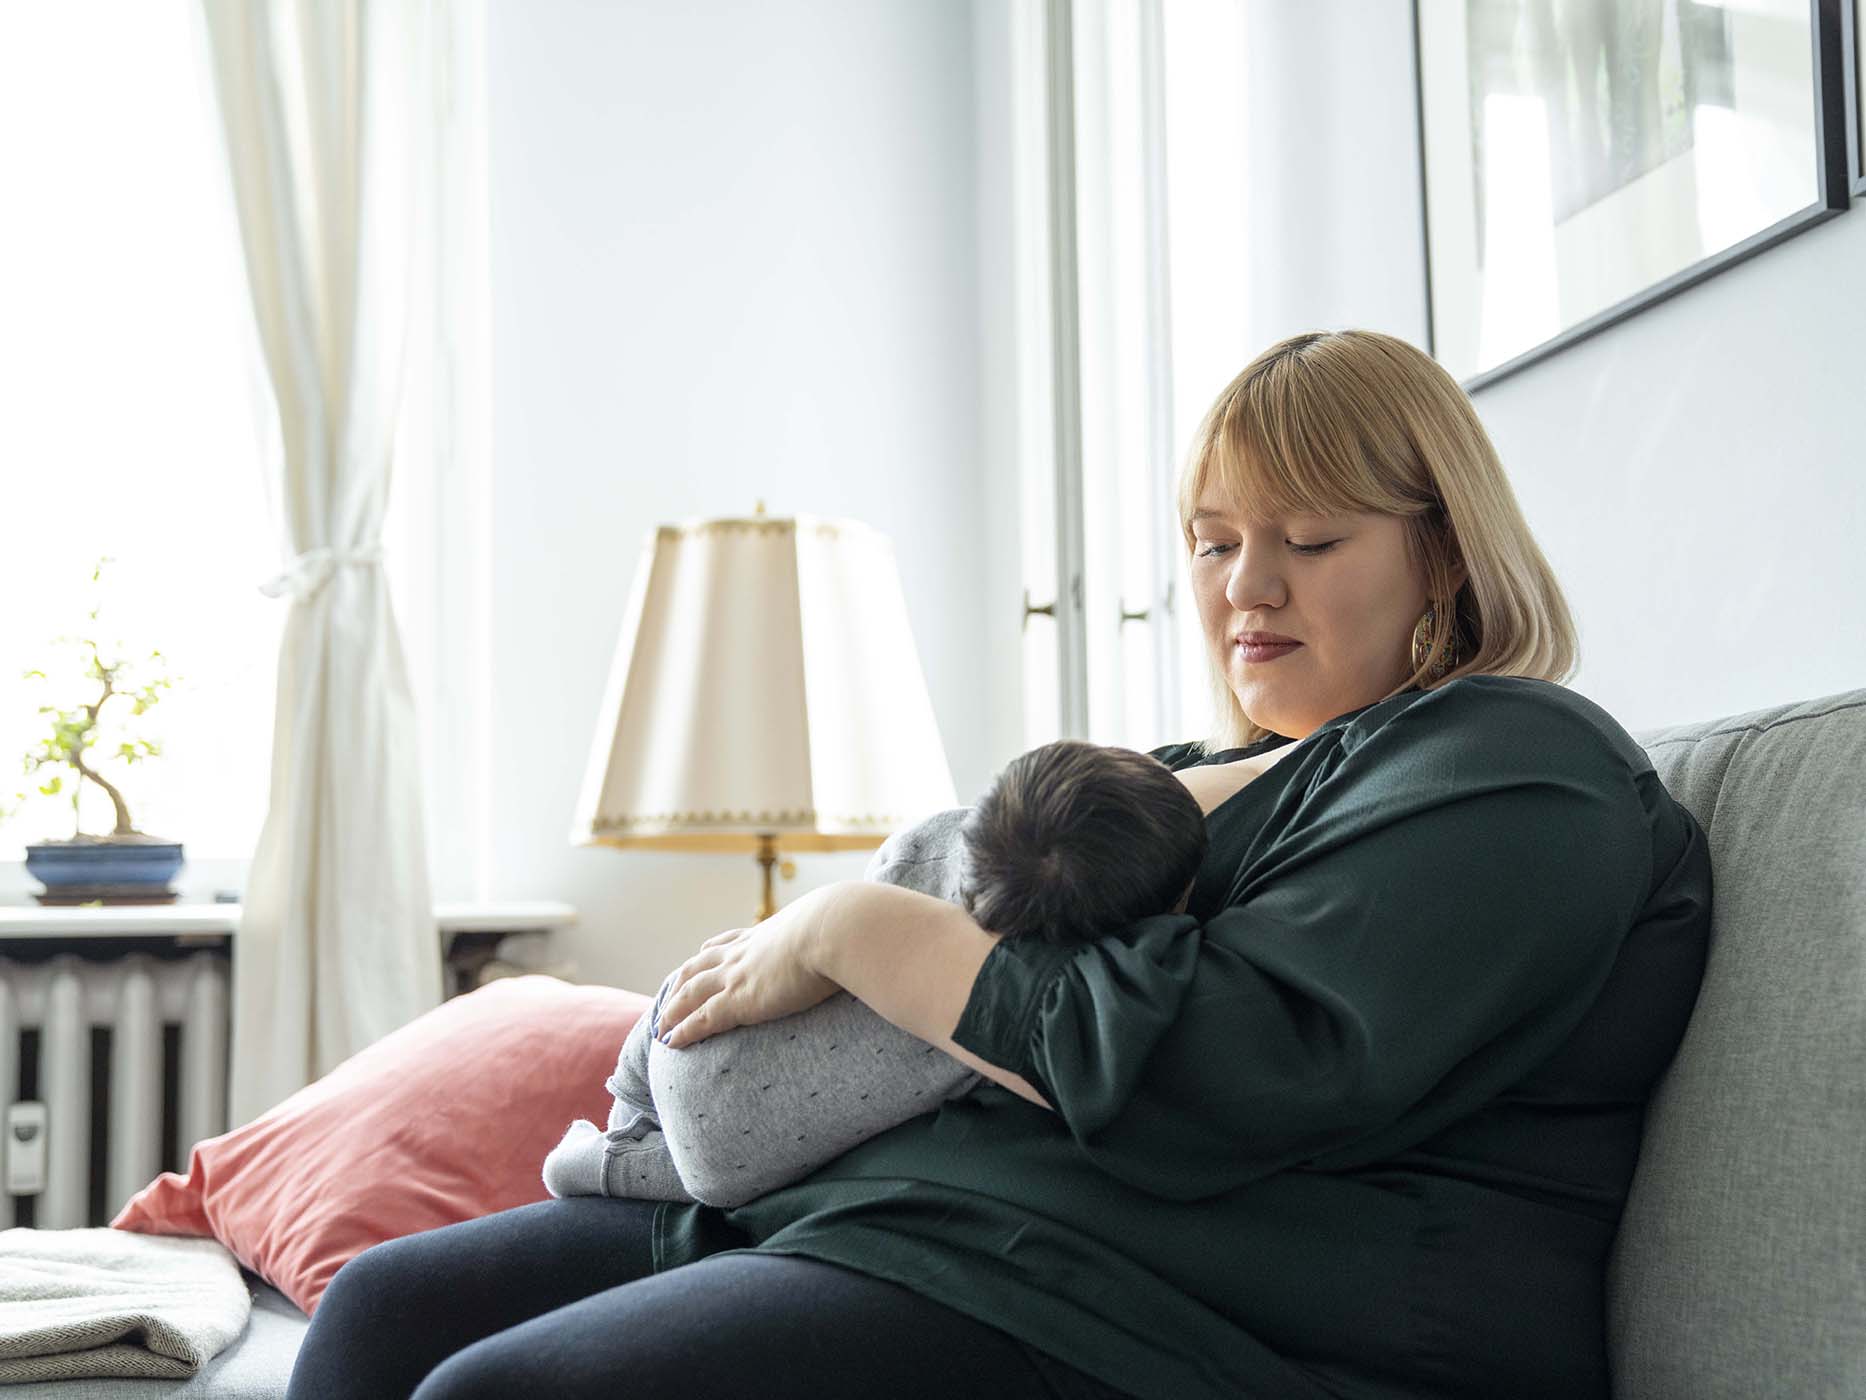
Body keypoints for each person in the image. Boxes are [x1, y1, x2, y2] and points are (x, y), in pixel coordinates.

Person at [285, 329, 1712, 1400]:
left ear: (1446, 557)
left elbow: (1246, 1068)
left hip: (1208, 1313)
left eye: (1308, 539)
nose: (1243, 589)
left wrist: (857, 932)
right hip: (946, 1224)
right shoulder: (1186, 766)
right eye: (1213, 543)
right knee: (383, 1314)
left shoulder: (1517, 765)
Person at [540, 739, 1209, 1207]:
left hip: (685, 1011)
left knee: (668, 1028)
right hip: (723, 1152)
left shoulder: (931, 840)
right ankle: (599, 1166)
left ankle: (622, 1110)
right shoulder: (998, 998)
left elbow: (889, 867)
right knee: (688, 1170)